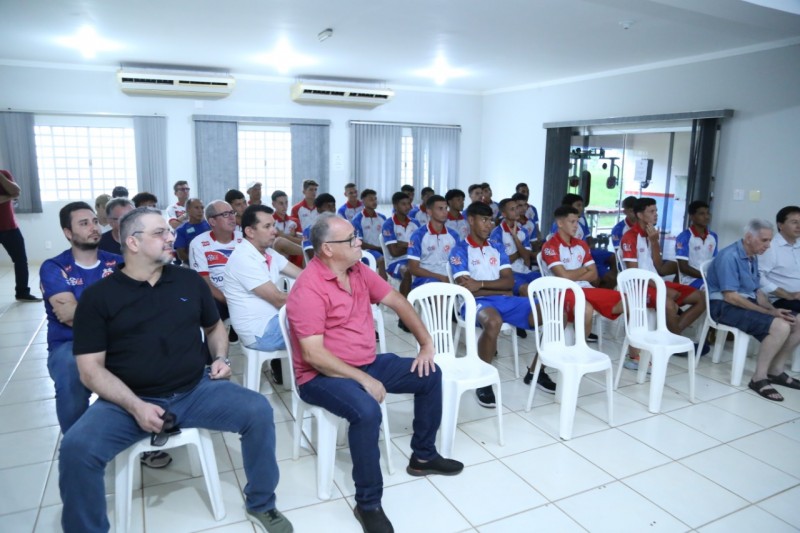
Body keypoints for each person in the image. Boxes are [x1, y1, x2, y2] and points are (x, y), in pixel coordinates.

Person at [59, 207, 292, 533]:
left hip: (194, 390)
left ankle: (262, 503)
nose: (171, 237)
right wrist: (136, 406)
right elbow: (90, 370)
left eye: (169, 230)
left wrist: (221, 358)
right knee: (77, 449)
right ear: (133, 243)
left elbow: (214, 328)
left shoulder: (187, 281)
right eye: (159, 233)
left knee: (257, 411)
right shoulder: (100, 298)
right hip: (127, 401)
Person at [286, 213, 463, 533]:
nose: (359, 242)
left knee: (429, 374)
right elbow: (313, 355)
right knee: (367, 411)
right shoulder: (308, 288)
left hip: (365, 363)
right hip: (320, 376)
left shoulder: (357, 271)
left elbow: (397, 299)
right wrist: (364, 379)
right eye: (351, 239)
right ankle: (368, 503)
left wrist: (426, 344)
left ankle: (423, 456)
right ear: (327, 249)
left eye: (356, 236)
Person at [449, 202, 554, 406]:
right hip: (474, 302)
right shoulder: (459, 250)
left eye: (491, 220)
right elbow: (466, 288)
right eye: (484, 220)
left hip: (503, 299)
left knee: (553, 313)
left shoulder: (497, 247)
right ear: (471, 220)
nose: (489, 225)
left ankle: (536, 371)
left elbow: (509, 282)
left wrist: (480, 284)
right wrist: (497, 288)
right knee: (493, 322)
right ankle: (483, 380)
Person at [40, 202, 122, 433]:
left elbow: (138, 308)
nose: (93, 227)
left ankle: (142, 432)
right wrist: (115, 311)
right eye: (84, 223)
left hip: (115, 339)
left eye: (95, 221)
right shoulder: (54, 267)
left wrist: (84, 310)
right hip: (70, 343)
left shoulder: (117, 262)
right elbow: (69, 317)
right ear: (68, 232)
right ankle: (77, 442)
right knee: (69, 370)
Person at [707, 219, 800, 402]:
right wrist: (769, 314)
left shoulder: (752, 256)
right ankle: (759, 378)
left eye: (769, 240)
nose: (768, 245)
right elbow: (731, 297)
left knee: (796, 321)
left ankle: (776, 370)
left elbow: (757, 291)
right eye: (764, 240)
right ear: (749, 237)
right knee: (780, 327)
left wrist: (774, 309)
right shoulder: (730, 256)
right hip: (723, 307)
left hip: (742, 302)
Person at [620, 197, 708, 369]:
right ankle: (674, 342)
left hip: (654, 281)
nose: (656, 215)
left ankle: (673, 335)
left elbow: (658, 267)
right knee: (669, 305)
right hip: (638, 286)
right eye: (651, 211)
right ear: (639, 214)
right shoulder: (630, 237)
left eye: (656, 211)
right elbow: (634, 275)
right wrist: (662, 289)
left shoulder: (651, 234)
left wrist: (654, 242)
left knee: (701, 298)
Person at [541, 206, 625, 345]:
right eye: (572, 222)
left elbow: (594, 275)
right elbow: (564, 278)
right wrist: (583, 269)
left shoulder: (581, 244)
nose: (576, 226)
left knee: (627, 301)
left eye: (577, 222)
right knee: (586, 309)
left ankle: (633, 353)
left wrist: (573, 273)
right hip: (560, 291)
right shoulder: (551, 246)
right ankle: (580, 347)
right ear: (560, 223)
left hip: (584, 288)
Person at [189, 200, 243, 341]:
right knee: (209, 312)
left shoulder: (243, 239)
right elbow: (204, 282)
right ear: (212, 221)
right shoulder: (199, 243)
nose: (232, 217)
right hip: (218, 296)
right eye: (225, 214)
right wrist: (228, 300)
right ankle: (211, 360)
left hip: (244, 294)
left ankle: (272, 357)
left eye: (232, 212)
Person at [0, 169, 41, 302]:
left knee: (21, 261)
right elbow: (13, 194)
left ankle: (22, 292)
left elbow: (16, 191)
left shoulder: (3, 174)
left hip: (9, 227)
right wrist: (9, 196)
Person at [489, 198, 540, 299]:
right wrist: (520, 252)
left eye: (517, 208)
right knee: (526, 289)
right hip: (510, 274)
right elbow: (503, 263)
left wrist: (515, 238)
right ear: (504, 214)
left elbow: (527, 260)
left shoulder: (523, 231)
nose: (517, 211)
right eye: (512, 209)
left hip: (526, 271)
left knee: (549, 283)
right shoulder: (497, 233)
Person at [407, 194, 461, 288]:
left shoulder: (453, 235)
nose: (445, 212)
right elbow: (413, 268)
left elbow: (458, 262)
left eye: (446, 208)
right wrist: (440, 277)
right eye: (440, 209)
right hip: (426, 278)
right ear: (429, 212)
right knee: (437, 289)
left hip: (449, 277)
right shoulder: (418, 235)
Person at [759, 205, 800, 313]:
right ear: (780, 225)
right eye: (794, 222)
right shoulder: (770, 247)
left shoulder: (798, 245)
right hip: (782, 299)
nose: (799, 226)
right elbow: (758, 277)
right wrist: (788, 294)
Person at [381, 191, 420, 302]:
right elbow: (394, 252)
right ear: (395, 205)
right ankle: (404, 309)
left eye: (409, 203)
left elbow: (421, 246)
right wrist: (412, 246)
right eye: (403, 204)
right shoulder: (388, 224)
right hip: (395, 262)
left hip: (414, 259)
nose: (408, 207)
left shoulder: (415, 223)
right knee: (407, 271)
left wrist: (402, 244)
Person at [675, 200, 719, 289]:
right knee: (711, 290)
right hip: (690, 280)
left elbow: (714, 261)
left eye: (707, 213)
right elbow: (683, 267)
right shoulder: (684, 237)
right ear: (692, 217)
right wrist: (706, 277)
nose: (706, 217)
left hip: (707, 278)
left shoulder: (713, 236)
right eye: (701, 214)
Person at [353, 189, 388, 279]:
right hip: (366, 251)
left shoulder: (382, 218)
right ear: (363, 201)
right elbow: (360, 243)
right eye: (371, 199)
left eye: (375, 199)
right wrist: (378, 248)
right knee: (381, 260)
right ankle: (383, 287)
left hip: (382, 250)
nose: (374, 201)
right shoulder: (358, 219)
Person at [270, 190, 304, 267]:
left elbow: (302, 242)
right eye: (281, 203)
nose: (285, 206)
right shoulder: (269, 221)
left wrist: (284, 236)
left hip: (296, 260)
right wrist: (292, 237)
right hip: (276, 260)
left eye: (286, 203)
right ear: (273, 204)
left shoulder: (295, 221)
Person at [173, 198, 210, 263]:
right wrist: (199, 261)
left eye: (202, 208)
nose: (200, 211)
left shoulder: (210, 225)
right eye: (196, 208)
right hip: (191, 265)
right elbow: (181, 255)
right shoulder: (181, 230)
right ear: (188, 210)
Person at [301, 193, 337, 261]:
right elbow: (312, 257)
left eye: (333, 206)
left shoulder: (340, 227)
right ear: (318, 209)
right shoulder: (310, 230)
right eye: (328, 206)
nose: (332, 209)